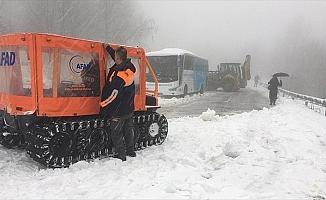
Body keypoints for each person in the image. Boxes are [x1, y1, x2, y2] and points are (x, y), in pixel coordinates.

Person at [100, 44, 136, 161]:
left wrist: (103, 105)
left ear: (118, 59)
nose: (114, 59)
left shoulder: (119, 77)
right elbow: (117, 59)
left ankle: (121, 155)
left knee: (116, 133)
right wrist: (108, 48)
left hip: (119, 110)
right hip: (129, 108)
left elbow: (113, 95)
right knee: (128, 130)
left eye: (115, 57)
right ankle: (131, 151)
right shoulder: (129, 67)